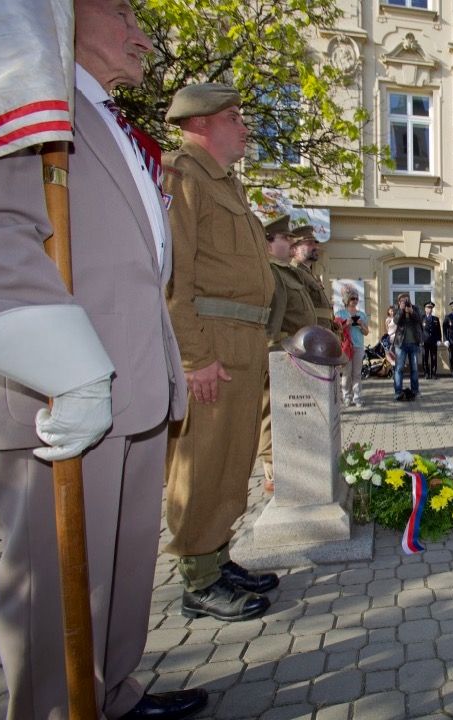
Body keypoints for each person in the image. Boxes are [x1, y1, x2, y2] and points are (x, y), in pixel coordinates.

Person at [0, 1, 208, 717]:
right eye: (121, 12)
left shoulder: (107, 120)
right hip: (63, 389)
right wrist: (61, 363)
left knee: (120, 572)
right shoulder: (22, 90)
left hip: (134, 381)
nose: (143, 36)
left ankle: (113, 694)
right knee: (59, 595)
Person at [163, 82, 279, 623]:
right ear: (201, 123)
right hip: (212, 344)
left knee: (232, 462)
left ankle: (216, 557)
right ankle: (197, 580)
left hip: (243, 341)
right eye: (234, 117)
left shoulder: (225, 184)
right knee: (203, 462)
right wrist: (194, 357)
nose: (245, 126)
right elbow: (173, 280)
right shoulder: (182, 176)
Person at [258, 214, 314, 492]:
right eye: (285, 238)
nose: (291, 242)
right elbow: (272, 323)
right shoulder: (270, 272)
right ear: (269, 242)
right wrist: (277, 354)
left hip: (296, 354)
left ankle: (290, 460)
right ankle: (273, 469)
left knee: (286, 412)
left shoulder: (286, 271)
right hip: (280, 355)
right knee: (272, 410)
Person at [289, 226, 332, 327]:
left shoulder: (309, 274)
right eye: (309, 243)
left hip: (319, 331)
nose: (316, 247)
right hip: (310, 331)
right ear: (295, 249)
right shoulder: (295, 272)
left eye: (315, 243)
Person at [336, 292, 370, 407]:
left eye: (356, 298)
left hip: (358, 346)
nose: (355, 300)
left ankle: (357, 397)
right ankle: (346, 397)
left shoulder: (362, 314)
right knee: (346, 373)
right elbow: (337, 330)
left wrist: (361, 325)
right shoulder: (340, 313)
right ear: (347, 300)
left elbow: (366, 332)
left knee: (357, 373)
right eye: (352, 298)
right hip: (346, 347)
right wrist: (346, 323)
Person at [392, 293, 423, 400]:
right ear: (399, 301)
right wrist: (401, 310)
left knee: (414, 369)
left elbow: (420, 319)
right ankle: (398, 392)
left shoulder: (415, 308)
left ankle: (415, 391)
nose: (405, 302)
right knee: (399, 368)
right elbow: (396, 321)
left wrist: (411, 312)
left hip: (414, 343)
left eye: (406, 299)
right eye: (402, 300)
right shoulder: (397, 309)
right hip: (401, 344)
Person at [422, 301, 442, 379]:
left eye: (431, 308)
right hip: (425, 341)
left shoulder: (436, 319)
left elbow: (438, 330)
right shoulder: (422, 318)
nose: (430, 309)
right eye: (428, 308)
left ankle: (433, 373)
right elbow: (419, 330)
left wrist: (439, 339)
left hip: (433, 341)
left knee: (434, 358)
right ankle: (426, 373)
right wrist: (420, 340)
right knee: (425, 358)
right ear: (425, 309)